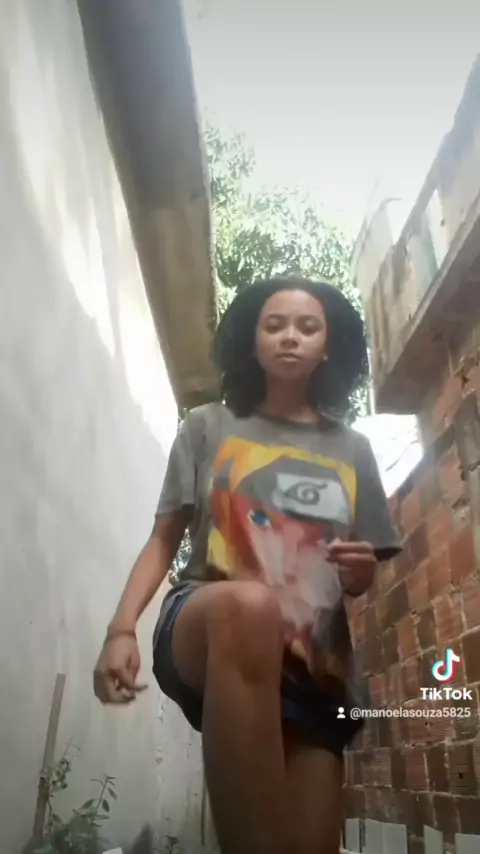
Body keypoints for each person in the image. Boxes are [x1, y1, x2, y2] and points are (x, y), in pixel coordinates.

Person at [93, 277, 400, 854]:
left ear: (327, 346)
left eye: (307, 327)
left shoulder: (353, 449)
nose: (290, 337)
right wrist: (121, 628)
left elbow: (361, 574)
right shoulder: (206, 427)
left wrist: (360, 573)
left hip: (314, 661)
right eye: (274, 324)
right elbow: (163, 539)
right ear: (252, 341)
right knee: (251, 607)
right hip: (211, 621)